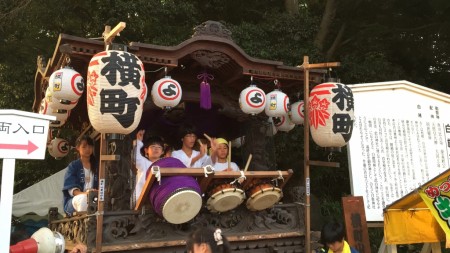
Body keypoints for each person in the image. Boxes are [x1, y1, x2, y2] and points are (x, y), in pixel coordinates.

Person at [62, 135, 98, 216]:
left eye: (90, 146)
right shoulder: (73, 166)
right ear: (78, 148)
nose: (87, 149)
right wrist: (86, 194)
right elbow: (73, 191)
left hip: (94, 198)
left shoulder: (97, 165)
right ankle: (86, 223)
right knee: (83, 199)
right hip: (75, 200)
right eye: (84, 147)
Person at [133, 129, 165, 202]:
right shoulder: (143, 162)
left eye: (159, 147)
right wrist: (138, 141)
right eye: (153, 146)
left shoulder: (165, 164)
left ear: (162, 152)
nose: (156, 149)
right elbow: (135, 156)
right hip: (142, 199)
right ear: (146, 150)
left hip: (160, 198)